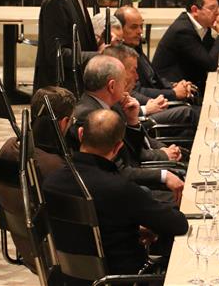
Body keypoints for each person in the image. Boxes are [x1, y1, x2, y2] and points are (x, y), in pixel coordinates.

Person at [42, 109, 188, 276]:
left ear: (81, 134)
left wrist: (131, 229)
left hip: (69, 277)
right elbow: (179, 225)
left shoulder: (50, 183)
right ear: (118, 146)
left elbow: (79, 233)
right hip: (125, 278)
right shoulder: (120, 188)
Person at [71, 55, 185, 204]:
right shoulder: (91, 116)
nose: (126, 85)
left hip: (133, 177)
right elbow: (118, 170)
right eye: (123, 81)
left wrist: (132, 121)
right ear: (112, 86)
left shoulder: (113, 105)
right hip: (114, 193)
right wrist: (163, 175)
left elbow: (133, 154)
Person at [0, 87, 76, 273]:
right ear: (64, 123)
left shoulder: (8, 149)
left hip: (28, 248)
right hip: (59, 258)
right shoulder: (56, 168)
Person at [152, 0, 219, 94]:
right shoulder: (183, 31)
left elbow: (218, 56)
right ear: (195, 10)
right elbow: (211, 65)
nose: (218, 13)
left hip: (193, 83)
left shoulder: (202, 25)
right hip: (171, 90)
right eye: (212, 8)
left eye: (218, 7)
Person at [103, 43, 198, 135]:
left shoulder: (137, 52)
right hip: (138, 122)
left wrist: (172, 86)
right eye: (133, 71)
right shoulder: (109, 97)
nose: (137, 77)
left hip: (141, 118)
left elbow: (156, 78)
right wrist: (146, 109)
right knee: (187, 112)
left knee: (187, 132)